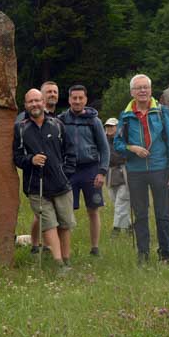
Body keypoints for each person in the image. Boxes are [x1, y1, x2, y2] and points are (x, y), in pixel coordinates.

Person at [112, 74, 169, 265]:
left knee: (163, 214)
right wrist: (132, 148)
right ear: (132, 92)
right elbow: (117, 143)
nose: (143, 91)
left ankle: (165, 254)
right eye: (138, 88)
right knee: (140, 215)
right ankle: (143, 255)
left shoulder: (162, 112)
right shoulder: (125, 116)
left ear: (150, 90)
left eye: (146, 87)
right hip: (136, 171)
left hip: (160, 169)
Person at [13, 88, 75, 269]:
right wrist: (30, 160)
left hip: (61, 184)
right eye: (30, 101)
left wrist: (65, 173)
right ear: (25, 105)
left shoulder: (57, 125)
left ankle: (66, 259)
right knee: (49, 224)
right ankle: (59, 263)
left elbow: (70, 151)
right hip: (36, 185)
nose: (34, 104)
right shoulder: (21, 128)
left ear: (43, 102)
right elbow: (16, 157)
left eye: (37, 100)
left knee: (65, 224)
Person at [59, 84, 110, 257]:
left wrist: (102, 171)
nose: (77, 101)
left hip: (90, 169)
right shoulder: (61, 120)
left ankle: (95, 248)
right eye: (74, 98)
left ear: (86, 100)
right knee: (66, 212)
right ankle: (64, 250)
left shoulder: (94, 121)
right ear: (69, 100)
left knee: (93, 210)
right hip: (69, 171)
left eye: (81, 98)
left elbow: (104, 148)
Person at [15, 79, 60, 255]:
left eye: (55, 92)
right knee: (42, 213)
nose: (52, 95)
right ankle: (41, 246)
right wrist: (31, 159)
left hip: (54, 175)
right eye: (48, 92)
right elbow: (19, 149)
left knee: (44, 213)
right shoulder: (25, 121)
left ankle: (38, 244)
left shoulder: (56, 119)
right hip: (36, 176)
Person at [103, 117, 132, 235]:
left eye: (112, 126)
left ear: (117, 127)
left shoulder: (123, 139)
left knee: (121, 202)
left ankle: (116, 229)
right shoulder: (103, 140)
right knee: (117, 203)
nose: (109, 128)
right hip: (110, 174)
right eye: (107, 126)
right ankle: (129, 226)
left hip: (123, 173)